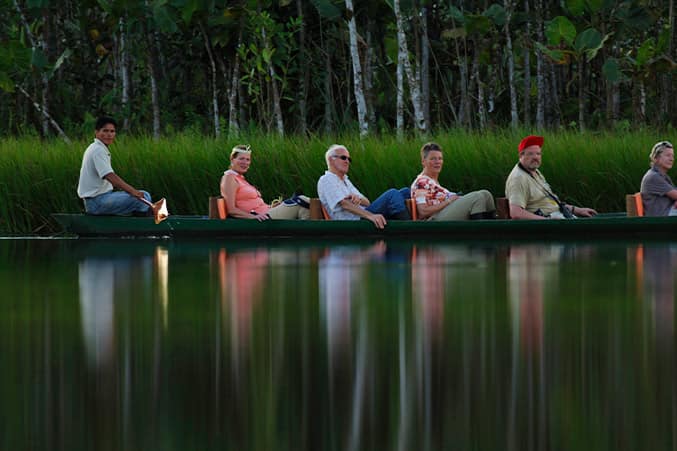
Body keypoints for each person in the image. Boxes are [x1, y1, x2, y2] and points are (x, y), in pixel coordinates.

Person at [78, 116, 158, 216]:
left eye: (112, 131)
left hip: (99, 199)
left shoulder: (95, 147)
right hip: (96, 202)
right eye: (105, 131)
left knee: (143, 195)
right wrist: (133, 191)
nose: (109, 135)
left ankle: (140, 221)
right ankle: (142, 227)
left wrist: (134, 192)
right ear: (96, 132)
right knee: (143, 198)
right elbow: (110, 176)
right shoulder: (98, 150)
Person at [317, 144, 411, 229]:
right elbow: (344, 205)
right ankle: (408, 229)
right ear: (330, 159)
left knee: (405, 192)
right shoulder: (326, 179)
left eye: (349, 159)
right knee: (392, 194)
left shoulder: (345, 180)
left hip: (364, 215)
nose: (347, 161)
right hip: (353, 222)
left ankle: (422, 219)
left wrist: (358, 199)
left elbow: (367, 202)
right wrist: (370, 216)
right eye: (343, 158)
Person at [505, 135, 597, 220]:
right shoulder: (518, 178)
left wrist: (577, 210)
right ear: (521, 156)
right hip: (548, 225)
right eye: (530, 154)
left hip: (559, 216)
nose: (535, 157)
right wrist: (548, 221)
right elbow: (516, 213)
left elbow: (552, 202)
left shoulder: (535, 172)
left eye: (538, 154)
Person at [220, 144, 310, 221]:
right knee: (301, 199)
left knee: (304, 209)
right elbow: (231, 209)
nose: (245, 162)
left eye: (247, 160)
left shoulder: (241, 179)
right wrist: (252, 217)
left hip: (267, 212)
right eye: (241, 159)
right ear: (232, 159)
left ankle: (309, 238)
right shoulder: (229, 178)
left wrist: (272, 207)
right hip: (262, 218)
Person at [411, 142, 496, 220]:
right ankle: (481, 233)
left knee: (486, 194)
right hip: (434, 219)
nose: (437, 162)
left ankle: (493, 231)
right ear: (423, 161)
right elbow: (423, 211)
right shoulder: (422, 182)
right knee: (477, 197)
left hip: (444, 213)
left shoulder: (433, 182)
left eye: (440, 158)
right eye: (433, 159)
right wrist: (449, 200)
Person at [640, 141, 677, 216]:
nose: (671, 159)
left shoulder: (661, 175)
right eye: (668, 155)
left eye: (672, 156)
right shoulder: (653, 177)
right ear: (655, 158)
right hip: (661, 217)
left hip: (668, 212)